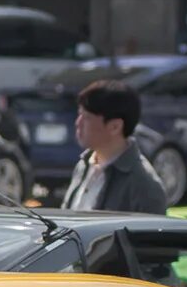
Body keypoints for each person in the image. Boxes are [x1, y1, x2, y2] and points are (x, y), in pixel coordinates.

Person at [62, 80, 168, 215]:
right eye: (79, 114)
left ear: (115, 126)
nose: (78, 123)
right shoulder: (84, 165)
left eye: (87, 117)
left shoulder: (144, 186)